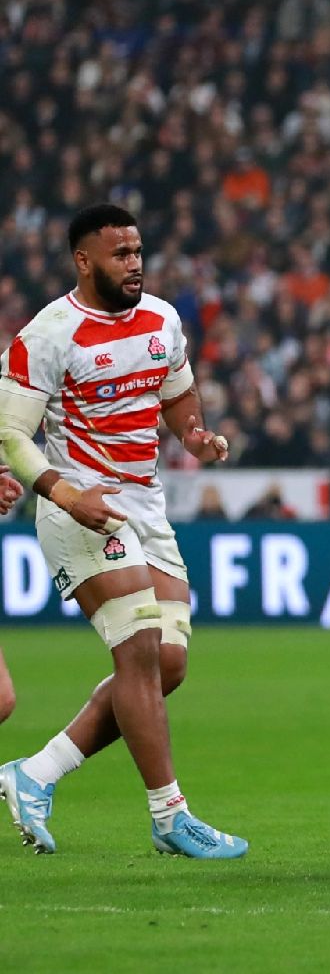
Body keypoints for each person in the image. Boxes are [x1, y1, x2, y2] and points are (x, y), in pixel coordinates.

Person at [0, 204, 247, 858]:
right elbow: (12, 434)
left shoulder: (162, 319)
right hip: (78, 505)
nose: (134, 264)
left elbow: (177, 393)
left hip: (145, 505)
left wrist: (194, 434)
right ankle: (170, 815)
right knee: (137, 650)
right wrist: (63, 492)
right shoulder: (47, 335)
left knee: (168, 663)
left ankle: (35, 773)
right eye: (120, 254)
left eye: (138, 252)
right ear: (84, 261)